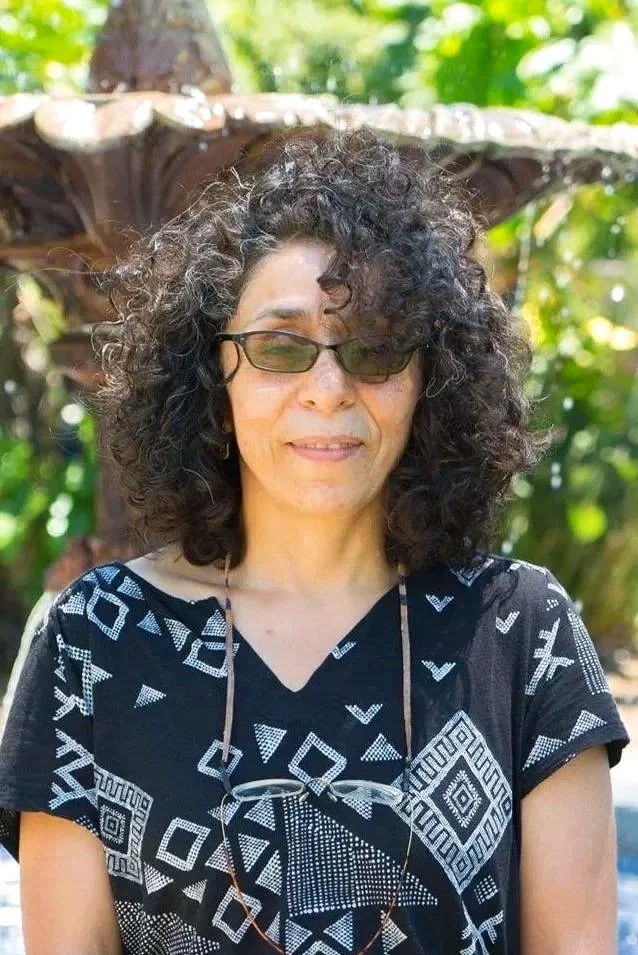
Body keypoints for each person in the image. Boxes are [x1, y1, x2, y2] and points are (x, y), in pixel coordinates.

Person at [0, 130, 629, 955]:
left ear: (427, 378)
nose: (328, 390)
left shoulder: (519, 633)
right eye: (281, 347)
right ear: (210, 374)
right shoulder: (96, 641)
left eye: (372, 348)